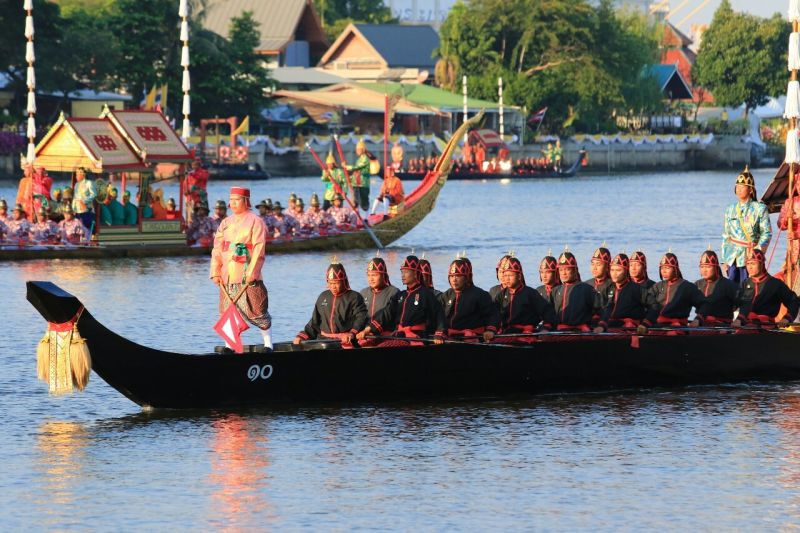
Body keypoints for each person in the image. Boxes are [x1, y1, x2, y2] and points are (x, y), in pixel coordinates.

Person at [210, 186, 273, 351]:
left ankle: (268, 344)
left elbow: (259, 248)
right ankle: (230, 346)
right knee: (227, 311)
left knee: (257, 310)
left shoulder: (255, 221)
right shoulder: (225, 223)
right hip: (227, 275)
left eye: (236, 200)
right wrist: (215, 272)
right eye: (231, 200)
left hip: (247, 274)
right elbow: (217, 249)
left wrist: (253, 272)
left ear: (246, 201)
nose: (233, 203)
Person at [357, 255, 446, 344]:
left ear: (415, 273)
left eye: (406, 272)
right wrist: (367, 330)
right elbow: (386, 313)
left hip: (416, 338)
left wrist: (439, 333)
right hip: (400, 336)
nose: (403, 275)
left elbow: (439, 314)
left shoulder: (426, 294)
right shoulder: (400, 295)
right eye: (402, 272)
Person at [294, 262, 368, 346]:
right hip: (323, 340)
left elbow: (361, 318)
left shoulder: (355, 297)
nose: (333, 286)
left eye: (336, 283)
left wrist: (352, 333)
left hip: (345, 341)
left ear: (344, 281)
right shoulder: (323, 296)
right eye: (330, 283)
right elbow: (314, 322)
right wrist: (302, 336)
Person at [721, 165, 771, 284]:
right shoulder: (730, 209)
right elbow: (726, 235)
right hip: (732, 257)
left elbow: (767, 233)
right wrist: (724, 260)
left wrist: (757, 253)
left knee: (750, 288)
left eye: (742, 187)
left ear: (751, 189)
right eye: (737, 186)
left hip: (751, 255)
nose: (739, 189)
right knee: (732, 290)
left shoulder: (760, 208)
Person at [733, 248, 799, 327]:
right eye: (748, 264)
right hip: (745, 324)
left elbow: (793, 301)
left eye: (753, 264)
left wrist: (787, 318)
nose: (750, 267)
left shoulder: (775, 284)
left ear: (762, 264)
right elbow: (734, 304)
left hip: (766, 325)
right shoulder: (745, 283)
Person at [441, 258, 500, 341]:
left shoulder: (480, 294)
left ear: (466, 278)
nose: (454, 279)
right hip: (450, 337)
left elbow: (493, 315)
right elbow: (438, 316)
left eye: (458, 276)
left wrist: (490, 330)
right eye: (451, 276)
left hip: (472, 338)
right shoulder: (446, 295)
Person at [494, 256, 555, 334]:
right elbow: (493, 314)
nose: (507, 279)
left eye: (511, 275)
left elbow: (547, 311)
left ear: (519, 276)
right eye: (505, 275)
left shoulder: (530, 293)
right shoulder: (501, 295)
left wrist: (545, 328)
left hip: (526, 333)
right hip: (506, 333)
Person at [644, 252, 704, 328]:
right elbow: (645, 302)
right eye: (662, 268)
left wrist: (698, 319)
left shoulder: (687, 287)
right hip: (658, 325)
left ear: (675, 269)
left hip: (678, 326)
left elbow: (704, 304)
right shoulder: (657, 286)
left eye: (667, 268)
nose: (664, 271)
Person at [594, 254, 650, 332]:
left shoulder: (637, 289)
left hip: (629, 327)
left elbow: (654, 307)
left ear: (626, 271)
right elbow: (605, 308)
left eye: (618, 270)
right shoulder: (609, 288)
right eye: (612, 270)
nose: (614, 273)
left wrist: (645, 324)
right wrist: (601, 324)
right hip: (611, 324)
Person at [551, 251, 601, 331]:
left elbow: (599, 311)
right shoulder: (555, 291)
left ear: (575, 270)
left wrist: (594, 326)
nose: (563, 273)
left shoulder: (587, 289)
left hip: (581, 332)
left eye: (567, 269)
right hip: (559, 331)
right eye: (561, 270)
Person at [691, 249, 739, 326]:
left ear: (716, 267)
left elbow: (743, 304)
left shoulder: (728, 285)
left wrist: (739, 319)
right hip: (700, 324)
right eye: (702, 267)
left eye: (708, 267)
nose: (704, 270)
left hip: (722, 326)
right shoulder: (697, 284)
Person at [359, 256, 400, 326]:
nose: (371, 279)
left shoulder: (394, 292)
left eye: (374, 275)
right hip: (363, 334)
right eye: (368, 275)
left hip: (385, 334)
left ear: (383, 276)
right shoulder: (363, 293)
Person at [778, 178, 800, 289]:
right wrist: (787, 218)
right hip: (794, 250)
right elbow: (780, 224)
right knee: (792, 278)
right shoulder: (790, 202)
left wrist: (797, 234)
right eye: (798, 184)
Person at [347, 139, 371, 212]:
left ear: (362, 150)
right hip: (356, 183)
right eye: (356, 149)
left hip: (363, 184)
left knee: (364, 203)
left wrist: (347, 167)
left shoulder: (365, 158)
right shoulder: (358, 159)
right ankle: (355, 216)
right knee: (355, 201)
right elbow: (356, 172)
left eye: (358, 149)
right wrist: (349, 178)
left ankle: (366, 218)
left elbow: (358, 167)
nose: (357, 151)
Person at [185, 157, 209, 222]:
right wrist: (186, 191)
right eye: (193, 164)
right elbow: (185, 189)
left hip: (201, 200)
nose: (194, 166)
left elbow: (202, 177)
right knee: (190, 219)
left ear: (199, 165)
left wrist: (191, 174)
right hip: (190, 200)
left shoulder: (204, 172)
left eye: (196, 164)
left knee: (203, 218)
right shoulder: (188, 175)